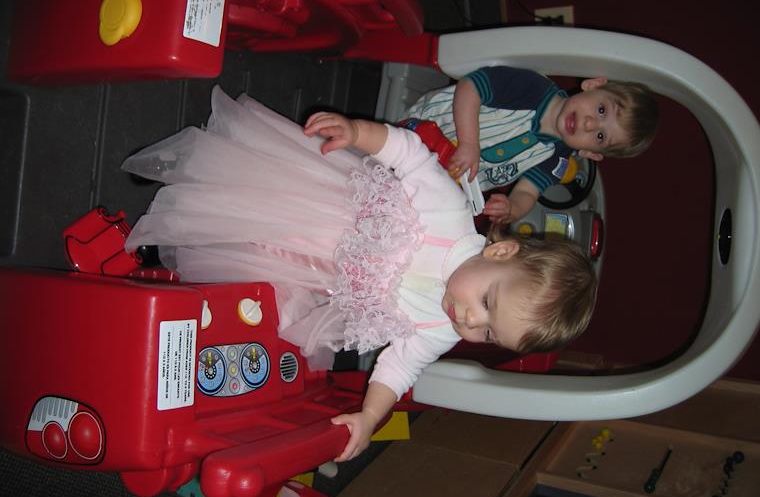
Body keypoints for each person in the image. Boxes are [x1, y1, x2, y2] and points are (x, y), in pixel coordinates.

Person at [122, 86, 597, 462]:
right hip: (315, 205)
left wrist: (369, 418)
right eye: (487, 304)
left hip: (310, 272)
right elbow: (411, 155)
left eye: (489, 333)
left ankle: (173, 236)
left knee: (247, 256)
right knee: (249, 193)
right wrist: (357, 132)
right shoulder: (449, 215)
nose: (471, 321)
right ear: (500, 252)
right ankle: (181, 165)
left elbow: (400, 368)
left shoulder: (440, 330)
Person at [404, 65, 659, 224]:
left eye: (600, 137)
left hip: (445, 178)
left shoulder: (557, 159)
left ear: (590, 153)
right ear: (592, 85)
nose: (590, 124)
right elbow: (471, 86)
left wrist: (512, 209)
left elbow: (528, 192)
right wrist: (469, 142)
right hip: (425, 127)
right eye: (601, 110)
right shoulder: (533, 88)